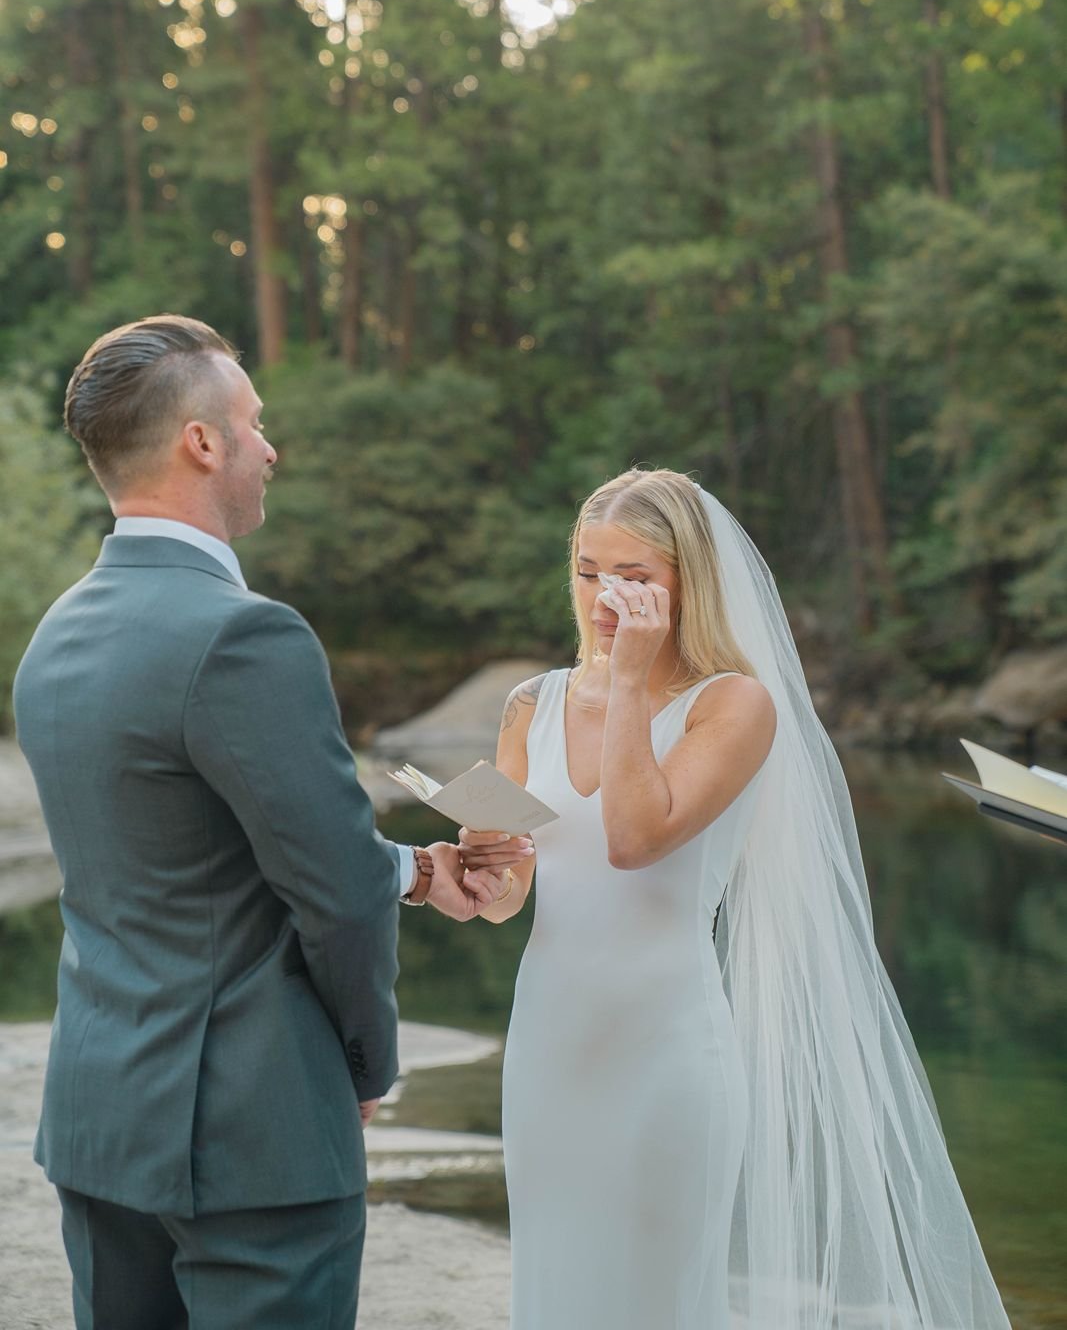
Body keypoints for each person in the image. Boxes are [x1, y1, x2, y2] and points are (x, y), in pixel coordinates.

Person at [13, 315, 516, 1330]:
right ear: (201, 443)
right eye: (254, 422)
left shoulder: (55, 633)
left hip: (102, 1119)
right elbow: (334, 892)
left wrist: (418, 869)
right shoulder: (247, 635)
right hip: (253, 1133)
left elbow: (195, 855)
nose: (270, 447)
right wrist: (362, 1065)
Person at [461, 467, 1012, 1330]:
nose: (604, 597)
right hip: (549, 1042)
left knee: (661, 1297)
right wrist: (476, 866)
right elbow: (508, 897)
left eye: (633, 576)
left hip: (665, 1049)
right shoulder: (532, 703)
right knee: (554, 1282)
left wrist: (630, 681)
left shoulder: (733, 705)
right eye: (588, 571)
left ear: (688, 582)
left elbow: (633, 839)